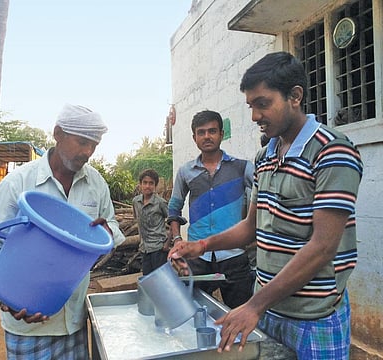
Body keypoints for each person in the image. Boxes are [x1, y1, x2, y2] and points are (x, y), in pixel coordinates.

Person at [169, 51, 363, 359]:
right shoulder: (266, 156)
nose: (255, 116)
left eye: (263, 103)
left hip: (313, 317)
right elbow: (251, 227)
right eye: (251, 106)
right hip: (269, 307)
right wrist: (201, 245)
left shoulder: (332, 151)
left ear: (295, 96)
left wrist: (253, 306)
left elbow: (324, 246)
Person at [0, 104, 125, 360]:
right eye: (82, 142)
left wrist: (108, 232)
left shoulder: (96, 184)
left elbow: (111, 225)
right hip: (27, 324)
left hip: (74, 321)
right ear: (58, 133)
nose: (88, 152)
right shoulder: (19, 183)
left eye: (94, 145)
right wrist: (6, 295)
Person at [167, 110, 255, 309]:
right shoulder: (185, 172)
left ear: (221, 134)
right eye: (201, 132)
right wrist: (177, 239)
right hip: (197, 257)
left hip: (234, 255)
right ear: (194, 137)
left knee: (241, 312)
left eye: (212, 131)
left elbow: (265, 192)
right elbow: (174, 207)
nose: (207, 136)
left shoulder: (242, 168)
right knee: (191, 311)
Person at [132, 169, 169, 275]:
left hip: (158, 249)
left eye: (151, 183)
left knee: (160, 280)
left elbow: (174, 221)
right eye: (145, 183)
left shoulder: (160, 203)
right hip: (144, 249)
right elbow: (137, 219)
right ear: (140, 184)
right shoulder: (136, 202)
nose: (147, 186)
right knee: (147, 280)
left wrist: (166, 244)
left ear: (155, 186)